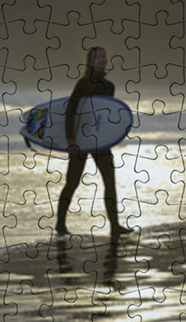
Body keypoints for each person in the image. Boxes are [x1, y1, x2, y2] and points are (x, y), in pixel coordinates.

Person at [55, 46, 131, 238]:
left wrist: (109, 137)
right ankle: (60, 224)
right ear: (90, 61)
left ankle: (115, 226)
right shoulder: (83, 84)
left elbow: (105, 115)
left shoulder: (109, 86)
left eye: (104, 56)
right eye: (98, 57)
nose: (102, 60)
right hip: (80, 140)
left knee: (110, 182)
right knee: (72, 182)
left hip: (100, 141)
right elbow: (71, 111)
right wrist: (70, 139)